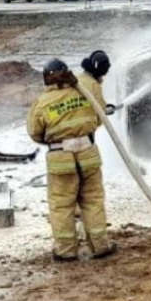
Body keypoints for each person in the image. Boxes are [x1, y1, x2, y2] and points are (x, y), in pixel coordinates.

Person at [27, 55, 117, 262]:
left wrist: (55, 140)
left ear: (46, 78)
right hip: (89, 156)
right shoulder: (83, 93)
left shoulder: (42, 103)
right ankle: (101, 246)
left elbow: (34, 133)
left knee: (62, 205)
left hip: (61, 160)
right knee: (93, 201)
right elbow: (98, 119)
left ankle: (66, 251)